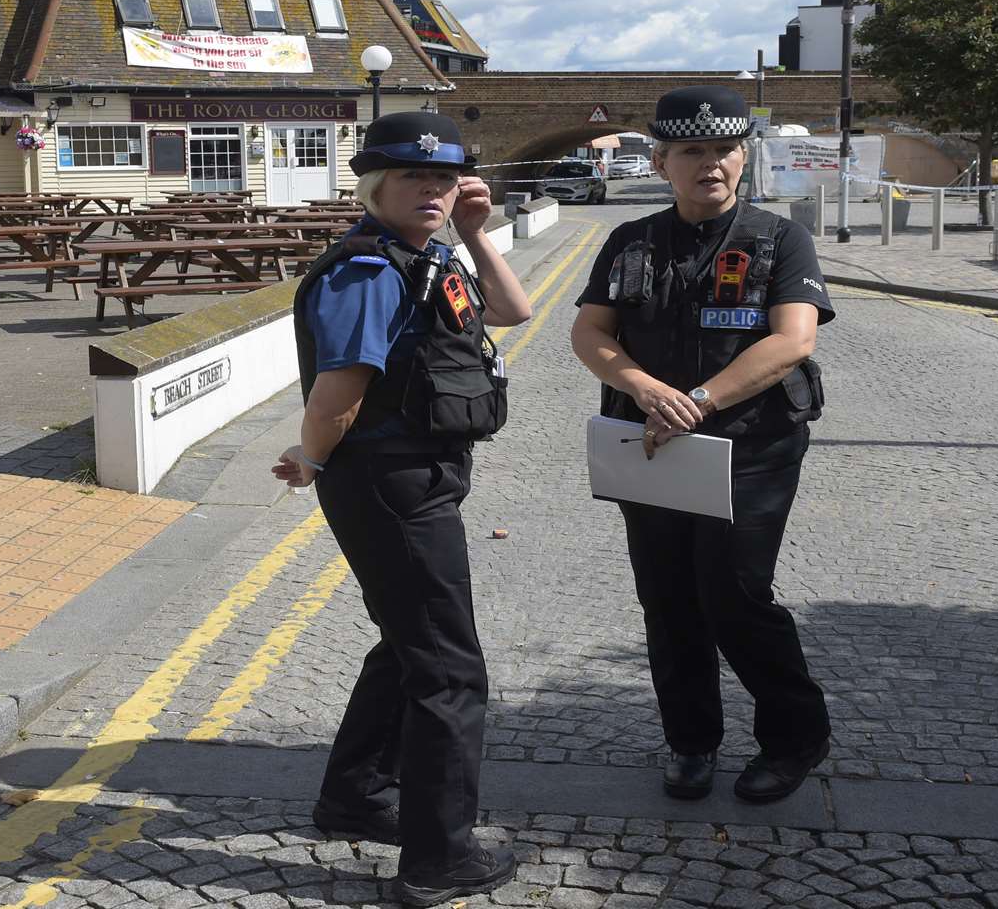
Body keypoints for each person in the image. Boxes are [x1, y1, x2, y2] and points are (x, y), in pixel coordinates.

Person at [273, 110, 531, 906]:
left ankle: (353, 796)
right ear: (375, 185)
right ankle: (436, 861)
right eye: (414, 178)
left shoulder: (430, 253)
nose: (432, 190)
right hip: (389, 483)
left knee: (406, 642)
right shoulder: (368, 271)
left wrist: (479, 230)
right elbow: (338, 390)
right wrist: (310, 459)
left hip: (420, 474)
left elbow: (512, 312)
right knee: (450, 673)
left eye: (445, 178)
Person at [568, 86, 834, 804]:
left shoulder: (781, 240)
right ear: (661, 161)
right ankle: (691, 742)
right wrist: (646, 389)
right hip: (649, 446)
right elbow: (589, 332)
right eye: (692, 151)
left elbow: (792, 340)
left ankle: (795, 736)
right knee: (668, 600)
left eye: (724, 150)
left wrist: (698, 402)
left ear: (743, 158)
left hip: (750, 448)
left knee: (736, 597)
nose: (710, 164)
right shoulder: (630, 241)